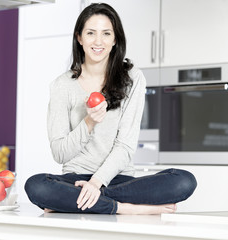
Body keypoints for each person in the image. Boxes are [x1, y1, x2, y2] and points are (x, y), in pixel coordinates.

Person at [24, 3, 197, 214]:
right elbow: (59, 153)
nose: (98, 41)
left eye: (106, 33)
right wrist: (88, 122)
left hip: (119, 181)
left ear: (115, 39)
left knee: (184, 181)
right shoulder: (62, 85)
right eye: (90, 33)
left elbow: (125, 145)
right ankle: (124, 209)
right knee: (35, 185)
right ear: (79, 38)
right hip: (75, 179)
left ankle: (75, 203)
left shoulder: (132, 78)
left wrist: (96, 183)